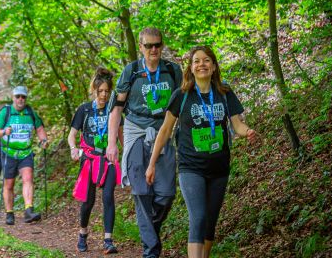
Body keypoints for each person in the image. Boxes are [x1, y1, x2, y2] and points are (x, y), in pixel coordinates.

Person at [146, 46, 257, 258]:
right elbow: (165, 130)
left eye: (206, 60)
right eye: (196, 61)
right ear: (191, 68)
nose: (202, 64)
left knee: (209, 223)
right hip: (191, 168)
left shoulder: (224, 93)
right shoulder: (182, 95)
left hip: (219, 169)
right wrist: (152, 164)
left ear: (214, 66)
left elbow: (237, 125)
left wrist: (248, 131)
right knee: (198, 217)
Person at [106, 27, 182, 258]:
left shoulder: (172, 70)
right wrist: (112, 144)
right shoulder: (131, 71)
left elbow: (183, 100)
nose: (154, 49)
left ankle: (150, 230)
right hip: (136, 130)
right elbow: (116, 109)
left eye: (157, 44)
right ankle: (151, 250)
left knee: (166, 194)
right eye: (148, 45)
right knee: (141, 191)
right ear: (141, 47)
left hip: (164, 130)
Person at [69, 67, 122, 254]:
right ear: (94, 90)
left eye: (107, 91)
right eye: (100, 91)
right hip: (89, 160)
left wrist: (126, 156)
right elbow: (72, 134)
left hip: (108, 159)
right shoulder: (84, 109)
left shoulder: (114, 111)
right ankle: (83, 233)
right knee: (88, 201)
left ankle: (108, 240)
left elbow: (121, 135)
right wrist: (74, 148)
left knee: (108, 197)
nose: (104, 95)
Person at [0, 85, 48, 225]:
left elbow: (39, 128)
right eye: (18, 97)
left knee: (28, 178)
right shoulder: (6, 112)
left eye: (23, 97)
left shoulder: (30, 112)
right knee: (9, 184)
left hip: (26, 152)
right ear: (13, 98)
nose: (20, 99)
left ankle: (29, 210)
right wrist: (4, 132)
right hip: (9, 152)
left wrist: (44, 140)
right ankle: (9, 213)